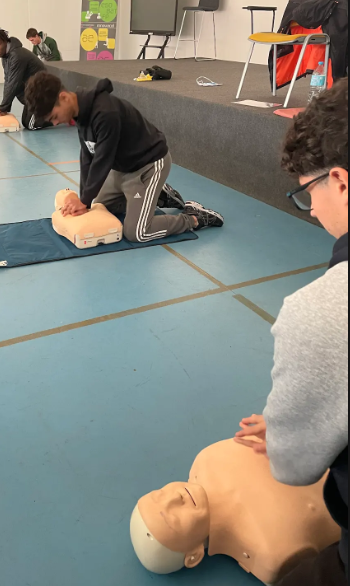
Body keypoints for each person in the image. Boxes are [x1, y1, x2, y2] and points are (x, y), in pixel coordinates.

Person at [235, 78, 349, 586]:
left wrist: (290, 429)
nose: (313, 208)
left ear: (339, 181)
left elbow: (293, 466)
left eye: (308, 192)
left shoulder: (319, 312)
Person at [24, 73, 224, 242]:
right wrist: (85, 199)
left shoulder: (105, 112)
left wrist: (83, 200)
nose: (55, 123)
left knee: (137, 232)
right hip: (122, 169)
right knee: (100, 209)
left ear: (64, 98)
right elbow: (87, 155)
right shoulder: (80, 112)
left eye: (54, 117)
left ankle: (194, 217)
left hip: (148, 166)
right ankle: (159, 196)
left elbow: (102, 160)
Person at [0, 28, 53, 131]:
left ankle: (59, 115)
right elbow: (8, 82)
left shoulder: (17, 55)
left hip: (43, 93)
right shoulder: (5, 57)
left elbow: (13, 83)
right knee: (25, 122)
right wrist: (3, 107)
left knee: (31, 125)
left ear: (5, 42)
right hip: (33, 92)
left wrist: (3, 108)